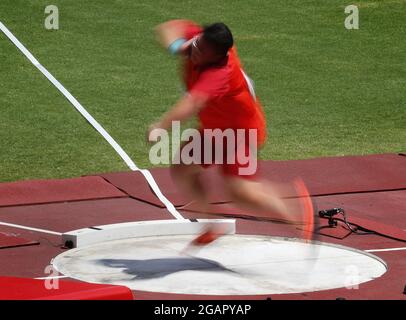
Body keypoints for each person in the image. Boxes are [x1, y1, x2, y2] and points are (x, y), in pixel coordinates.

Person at [149, 20, 315, 244]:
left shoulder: (219, 74)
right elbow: (168, 28)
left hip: (240, 133)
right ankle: (210, 226)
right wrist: (178, 45)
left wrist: (161, 126)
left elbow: (191, 103)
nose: (196, 51)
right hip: (214, 128)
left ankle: (296, 212)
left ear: (217, 57)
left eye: (203, 51)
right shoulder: (202, 40)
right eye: (198, 44)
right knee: (182, 167)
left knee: (240, 191)